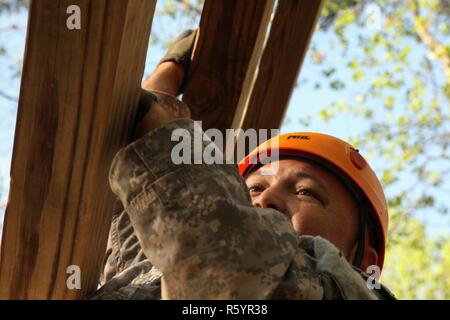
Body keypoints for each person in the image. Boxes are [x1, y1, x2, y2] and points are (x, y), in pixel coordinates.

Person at [91, 30, 396, 300]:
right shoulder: (161, 275)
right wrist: (166, 77)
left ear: (365, 262)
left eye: (306, 192)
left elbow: (231, 267)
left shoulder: (352, 293)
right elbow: (148, 219)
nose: (266, 198)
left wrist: (160, 123)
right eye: (253, 187)